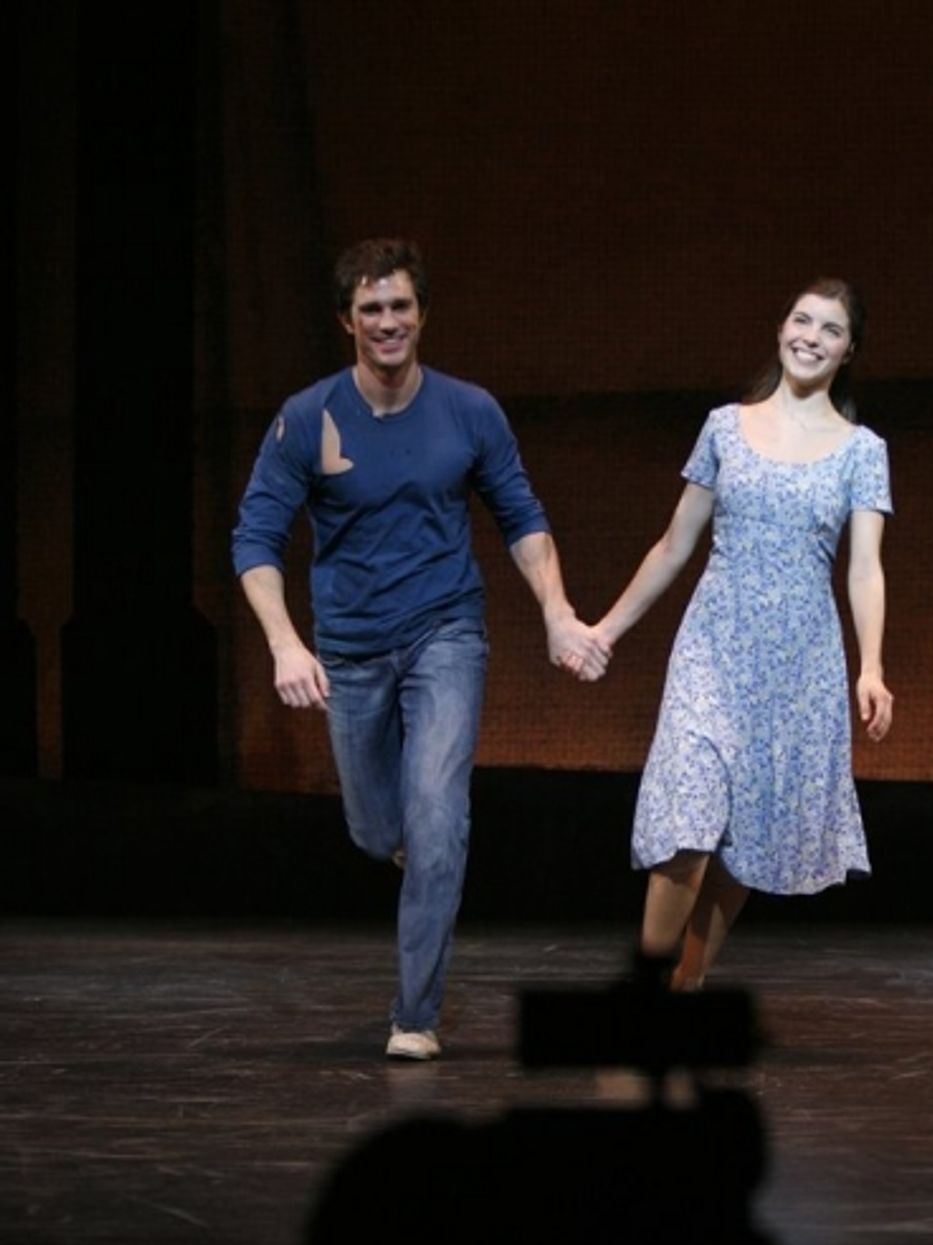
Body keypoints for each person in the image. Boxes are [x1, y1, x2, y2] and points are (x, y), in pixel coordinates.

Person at [232, 237, 609, 1060]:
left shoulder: (470, 411)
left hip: (446, 631)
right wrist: (286, 645)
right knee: (377, 831)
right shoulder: (309, 416)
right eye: (371, 309)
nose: (388, 321)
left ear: (422, 314)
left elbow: (523, 518)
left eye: (400, 306)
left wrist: (555, 611)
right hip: (351, 648)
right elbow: (255, 540)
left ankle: (414, 1015)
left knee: (439, 815)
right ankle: (405, 841)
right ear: (348, 321)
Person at [586, 277, 893, 990]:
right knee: (687, 823)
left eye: (831, 329)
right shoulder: (726, 426)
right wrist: (606, 629)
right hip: (713, 650)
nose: (810, 337)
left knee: (747, 840)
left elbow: (866, 569)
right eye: (801, 319)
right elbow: (673, 544)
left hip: (799, 663)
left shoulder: (861, 450)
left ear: (849, 351)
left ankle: (685, 985)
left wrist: (871, 666)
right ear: (780, 326)